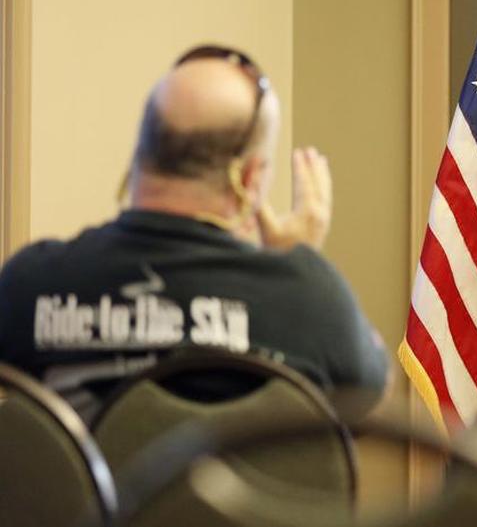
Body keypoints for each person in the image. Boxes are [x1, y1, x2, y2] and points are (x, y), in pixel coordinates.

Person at [0, 45, 389, 421]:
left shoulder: (29, 282)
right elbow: (368, 393)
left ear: (139, 154)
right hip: (251, 492)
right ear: (251, 178)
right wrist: (297, 269)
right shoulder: (308, 297)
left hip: (85, 492)